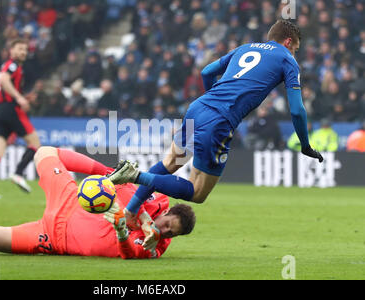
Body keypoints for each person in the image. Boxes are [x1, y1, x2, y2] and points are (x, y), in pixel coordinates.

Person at [108, 20, 324, 249]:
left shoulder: (246, 47)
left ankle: (131, 209)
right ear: (288, 41)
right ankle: (134, 175)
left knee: (172, 162)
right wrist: (305, 145)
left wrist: (213, 98)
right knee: (198, 192)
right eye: (296, 48)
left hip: (198, 107)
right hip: (219, 121)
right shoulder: (287, 59)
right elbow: (298, 110)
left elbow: (207, 71)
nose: (295, 53)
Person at [0, 147, 196, 259]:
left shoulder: (155, 245)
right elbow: (124, 187)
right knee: (44, 152)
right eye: (167, 224)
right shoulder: (157, 197)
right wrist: (104, 174)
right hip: (70, 198)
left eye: (170, 234)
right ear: (166, 211)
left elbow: (128, 254)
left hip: (55, 238)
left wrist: (121, 231)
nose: (164, 231)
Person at [0, 39, 42, 199]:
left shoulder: (12, 66)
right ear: (11, 51)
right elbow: (4, 79)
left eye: (25, 50)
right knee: (35, 143)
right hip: (10, 109)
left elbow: (6, 84)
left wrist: (22, 96)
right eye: (20, 49)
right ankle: (18, 174)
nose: (23, 52)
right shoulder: (12, 65)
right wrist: (19, 98)